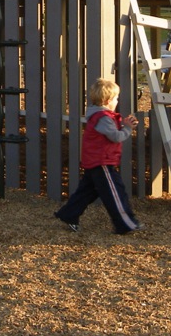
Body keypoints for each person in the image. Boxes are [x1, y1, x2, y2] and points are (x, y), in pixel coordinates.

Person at [54, 77, 143, 235]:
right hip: (102, 161)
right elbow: (115, 137)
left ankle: (68, 214)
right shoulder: (103, 118)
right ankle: (126, 223)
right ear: (108, 100)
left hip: (95, 160)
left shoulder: (100, 116)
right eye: (116, 98)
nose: (117, 101)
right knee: (115, 191)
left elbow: (110, 131)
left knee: (88, 190)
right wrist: (128, 129)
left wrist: (125, 123)